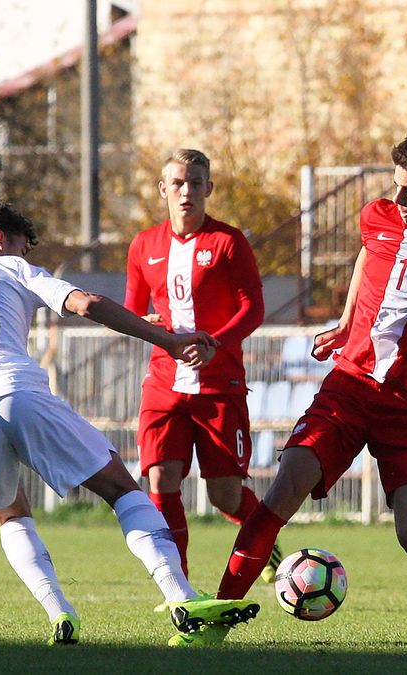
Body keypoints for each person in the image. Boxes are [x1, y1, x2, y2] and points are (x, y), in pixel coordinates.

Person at [169, 128, 407, 647]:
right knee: (283, 489)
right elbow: (369, 254)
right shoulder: (379, 217)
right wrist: (348, 324)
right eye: (395, 186)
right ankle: (216, 619)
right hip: (346, 387)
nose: (397, 199)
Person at [0, 200, 258, 646]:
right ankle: (181, 595)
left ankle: (60, 613)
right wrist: (167, 340)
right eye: (20, 246)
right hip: (19, 394)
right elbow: (86, 303)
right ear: (0, 240)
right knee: (121, 489)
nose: (24, 256)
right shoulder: (11, 268)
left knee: (11, 514)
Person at [125, 149, 279, 584]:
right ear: (163, 189)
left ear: (208, 188)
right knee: (161, 479)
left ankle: (265, 541)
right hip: (163, 385)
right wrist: (146, 325)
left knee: (226, 496)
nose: (186, 191)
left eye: (195, 183)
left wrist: (218, 344)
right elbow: (132, 310)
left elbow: (253, 308)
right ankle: (181, 585)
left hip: (218, 386)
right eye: (177, 183)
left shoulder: (229, 242)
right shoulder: (144, 245)